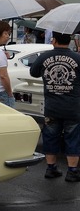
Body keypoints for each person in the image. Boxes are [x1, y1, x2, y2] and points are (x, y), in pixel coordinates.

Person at [30, 32, 80, 182]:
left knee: (50, 137)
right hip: (73, 107)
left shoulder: (45, 57)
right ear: (69, 40)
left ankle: (51, 168)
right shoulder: (77, 58)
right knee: (73, 138)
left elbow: (33, 72)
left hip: (51, 106)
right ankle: (72, 171)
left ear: (54, 40)